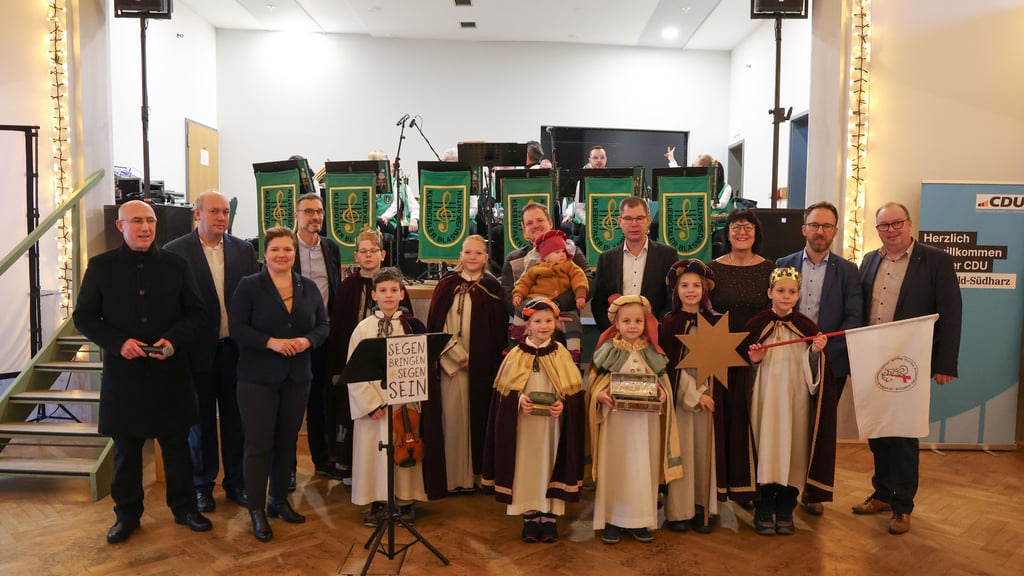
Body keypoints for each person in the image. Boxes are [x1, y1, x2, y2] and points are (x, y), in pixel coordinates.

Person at [73, 200, 211, 544]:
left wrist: (173, 341)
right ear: (121, 226)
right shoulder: (101, 266)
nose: (145, 227)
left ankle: (184, 508)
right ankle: (127, 515)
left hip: (170, 371)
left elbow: (196, 313)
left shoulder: (176, 265)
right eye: (137, 221)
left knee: (177, 446)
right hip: (125, 373)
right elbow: (85, 317)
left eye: (150, 220)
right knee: (127, 452)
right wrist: (118, 343)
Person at [854, 202, 962, 535]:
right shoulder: (869, 260)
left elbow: (951, 313)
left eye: (896, 223)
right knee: (878, 430)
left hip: (909, 361)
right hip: (872, 360)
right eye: (883, 225)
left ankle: (903, 505)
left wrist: (945, 363)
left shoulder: (936, 261)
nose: (891, 230)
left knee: (901, 433)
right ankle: (883, 493)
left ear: (909, 224)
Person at [229, 226, 330, 542]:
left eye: (288, 249)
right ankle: (256, 508)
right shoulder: (249, 286)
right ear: (265, 254)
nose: (282, 254)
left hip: (297, 376)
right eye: (275, 250)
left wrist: (307, 340)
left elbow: (324, 325)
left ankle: (278, 501)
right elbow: (237, 328)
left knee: (287, 442)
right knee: (258, 444)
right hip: (257, 378)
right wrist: (270, 342)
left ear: (294, 253)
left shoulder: (308, 286)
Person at [165, 190, 259, 514]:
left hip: (235, 351)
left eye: (225, 212)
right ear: (197, 215)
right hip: (196, 352)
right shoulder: (175, 253)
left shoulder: (244, 250)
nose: (221, 218)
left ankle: (236, 483)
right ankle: (202, 486)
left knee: (236, 419)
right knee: (200, 422)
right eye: (214, 212)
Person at [776, 201, 863, 516]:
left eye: (826, 226)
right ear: (804, 229)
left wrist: (823, 352)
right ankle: (783, 486)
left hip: (830, 363)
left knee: (818, 428)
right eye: (814, 225)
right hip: (786, 361)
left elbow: (855, 318)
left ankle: (812, 492)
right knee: (788, 423)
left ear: (835, 232)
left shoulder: (848, 271)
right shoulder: (783, 264)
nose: (820, 231)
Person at [480, 297, 585, 543]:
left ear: (556, 324)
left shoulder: (561, 354)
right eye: (537, 321)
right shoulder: (516, 355)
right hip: (525, 427)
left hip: (552, 426)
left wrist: (564, 405)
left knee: (549, 464)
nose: (543, 326)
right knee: (527, 467)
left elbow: (573, 393)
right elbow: (503, 397)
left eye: (548, 321)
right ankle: (529, 515)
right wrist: (519, 402)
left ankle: (549, 517)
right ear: (527, 325)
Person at [587, 295, 681, 545]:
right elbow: (593, 386)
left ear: (645, 322)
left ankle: (640, 520)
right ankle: (612, 520)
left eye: (638, 321)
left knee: (642, 468)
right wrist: (600, 395)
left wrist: (662, 394)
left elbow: (664, 385)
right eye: (626, 320)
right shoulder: (608, 351)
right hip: (615, 424)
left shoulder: (652, 352)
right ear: (616, 324)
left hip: (644, 425)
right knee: (615, 467)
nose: (632, 325)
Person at [347, 268, 438, 526]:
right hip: (373, 406)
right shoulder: (363, 329)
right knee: (374, 452)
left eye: (394, 290)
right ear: (374, 294)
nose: (389, 295)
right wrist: (370, 403)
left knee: (404, 445)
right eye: (383, 291)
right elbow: (353, 370)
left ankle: (405, 500)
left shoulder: (412, 326)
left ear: (402, 293)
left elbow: (420, 365)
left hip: (404, 403)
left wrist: (409, 396)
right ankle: (378, 501)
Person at [744, 267, 829, 536]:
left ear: (799, 295)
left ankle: (785, 508)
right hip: (765, 400)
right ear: (769, 292)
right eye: (780, 290)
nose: (786, 296)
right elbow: (742, 369)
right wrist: (753, 361)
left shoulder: (807, 327)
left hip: (796, 401)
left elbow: (816, 372)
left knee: (793, 449)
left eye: (792, 291)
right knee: (765, 448)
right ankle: (764, 507)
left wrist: (815, 353)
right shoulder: (756, 325)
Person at [326, 230, 412, 484]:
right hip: (357, 363)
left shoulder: (395, 286)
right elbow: (340, 326)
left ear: (382, 254)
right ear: (356, 256)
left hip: (392, 369)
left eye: (373, 251)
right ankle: (356, 472)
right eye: (363, 251)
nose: (368, 255)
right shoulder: (347, 286)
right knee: (359, 417)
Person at [426, 235, 509, 493]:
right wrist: (456, 356)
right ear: (460, 255)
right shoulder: (446, 285)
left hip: (481, 367)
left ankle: (476, 477)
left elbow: (498, 332)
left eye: (478, 253)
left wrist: (480, 359)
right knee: (451, 420)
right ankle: (452, 478)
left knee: (479, 418)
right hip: (451, 364)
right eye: (467, 252)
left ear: (486, 257)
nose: (472, 257)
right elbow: (436, 326)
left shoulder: (492, 288)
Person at [707, 208, 776, 506]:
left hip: (757, 355)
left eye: (748, 227)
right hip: (720, 354)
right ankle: (722, 484)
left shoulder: (769, 268)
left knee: (752, 418)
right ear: (728, 232)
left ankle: (751, 486)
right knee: (723, 418)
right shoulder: (713, 269)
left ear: (756, 233)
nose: (742, 232)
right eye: (736, 226)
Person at [660, 259, 721, 535]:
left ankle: (702, 507)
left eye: (696, 285)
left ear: (705, 289)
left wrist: (708, 392)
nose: (691, 290)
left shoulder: (715, 322)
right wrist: (696, 395)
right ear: (676, 291)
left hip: (710, 397)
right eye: (685, 285)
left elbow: (720, 360)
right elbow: (672, 367)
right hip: (683, 402)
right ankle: (679, 511)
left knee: (704, 453)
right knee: (682, 452)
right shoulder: (670, 324)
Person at [291, 192, 343, 483]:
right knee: (290, 403)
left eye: (319, 212)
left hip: (322, 337)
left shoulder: (330, 248)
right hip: (292, 338)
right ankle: (288, 470)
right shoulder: (286, 247)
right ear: (297, 215)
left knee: (320, 401)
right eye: (308, 211)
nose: (315, 217)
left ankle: (322, 460)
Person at [501, 202, 592, 336]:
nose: (535, 225)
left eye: (540, 220)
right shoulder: (513, 258)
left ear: (550, 223)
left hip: (563, 328)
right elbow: (507, 295)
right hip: (527, 331)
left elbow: (588, 281)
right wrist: (535, 317)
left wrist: (555, 307)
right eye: (530, 223)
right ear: (524, 229)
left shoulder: (570, 252)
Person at [591, 197, 679, 331]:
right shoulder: (607, 259)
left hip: (656, 335)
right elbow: (598, 303)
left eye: (639, 218)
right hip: (617, 336)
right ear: (620, 221)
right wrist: (613, 331)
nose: (634, 224)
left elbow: (672, 299)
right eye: (628, 219)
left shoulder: (667, 255)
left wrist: (656, 328)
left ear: (648, 220)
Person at [511, 230, 589, 359]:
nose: (562, 255)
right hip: (536, 301)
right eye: (557, 252)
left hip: (562, 307)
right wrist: (518, 294)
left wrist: (580, 295)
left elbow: (580, 278)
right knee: (522, 307)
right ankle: (517, 335)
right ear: (546, 256)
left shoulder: (570, 266)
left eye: (563, 251)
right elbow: (524, 283)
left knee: (573, 322)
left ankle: (574, 353)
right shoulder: (536, 268)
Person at [561, 145, 607, 244]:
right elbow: (578, 208)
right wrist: (591, 223)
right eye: (595, 158)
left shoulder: (613, 181)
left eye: (602, 157)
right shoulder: (583, 181)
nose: (599, 160)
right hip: (589, 225)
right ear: (589, 160)